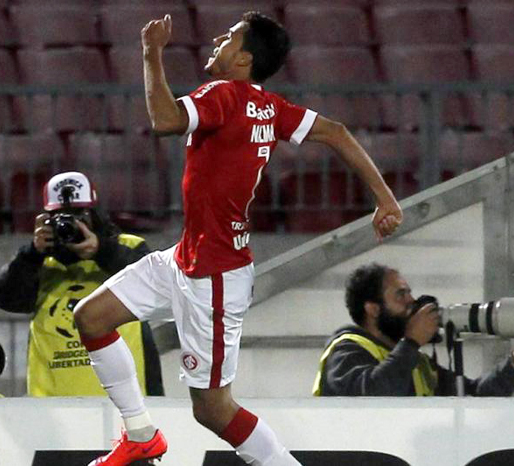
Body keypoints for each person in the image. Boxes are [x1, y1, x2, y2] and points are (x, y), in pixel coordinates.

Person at [73, 11, 403, 466]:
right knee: (91, 318)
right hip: (186, 258)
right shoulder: (269, 106)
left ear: (243, 58)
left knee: (212, 410)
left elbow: (165, 119)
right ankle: (140, 434)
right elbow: (336, 132)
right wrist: (384, 199)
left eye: (228, 37)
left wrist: (151, 54)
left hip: (214, 277)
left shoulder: (224, 94)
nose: (216, 39)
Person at [0, 171, 163, 397]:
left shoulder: (127, 246)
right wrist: (32, 254)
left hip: (126, 401)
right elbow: (6, 298)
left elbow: (156, 286)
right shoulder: (38, 262)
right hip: (52, 405)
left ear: (94, 215)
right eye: (59, 216)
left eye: (78, 215)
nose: (69, 224)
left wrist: (101, 250)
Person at [313, 263, 514, 397]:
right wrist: (411, 341)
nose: (412, 301)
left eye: (409, 292)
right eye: (400, 295)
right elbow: (373, 395)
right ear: (373, 309)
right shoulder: (346, 350)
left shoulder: (416, 363)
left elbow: (473, 399)